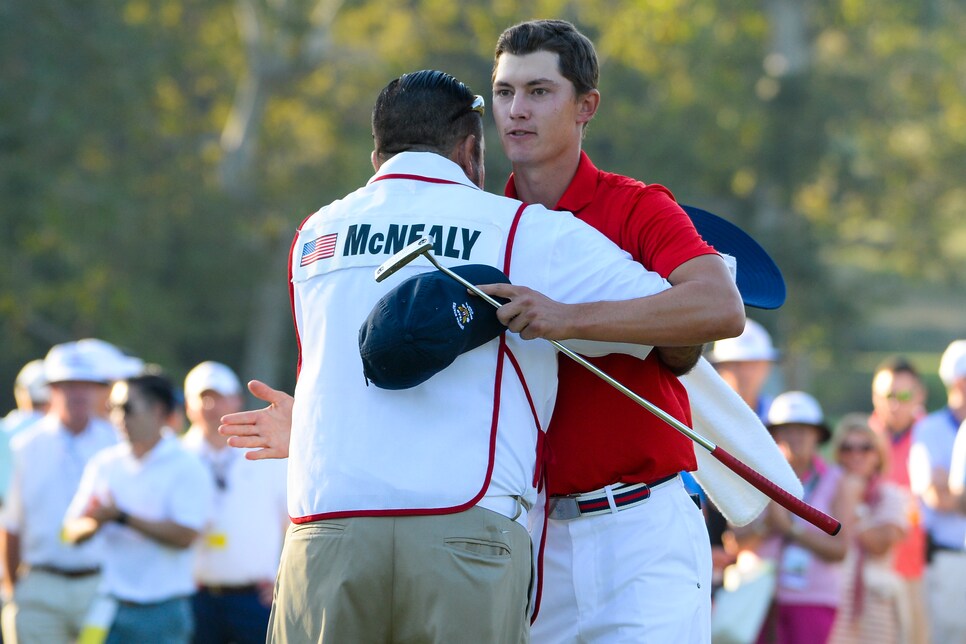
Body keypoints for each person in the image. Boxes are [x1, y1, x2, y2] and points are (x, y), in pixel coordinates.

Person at [263, 65, 745, 643]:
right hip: (466, 528)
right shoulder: (521, 229)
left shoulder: (312, 237)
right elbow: (684, 315)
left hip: (324, 528)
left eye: (537, 92)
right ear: (471, 152)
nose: (519, 108)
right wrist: (571, 319)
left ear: (377, 157)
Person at [488, 19, 745, 642]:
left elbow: (721, 306)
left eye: (540, 91)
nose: (516, 111)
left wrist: (568, 319)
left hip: (643, 532)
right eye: (504, 92)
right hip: (529, 540)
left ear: (586, 107)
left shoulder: (637, 205)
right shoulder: (482, 221)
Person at [62, 373, 214, 644]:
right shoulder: (105, 464)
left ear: (157, 410)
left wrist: (120, 517)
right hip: (107, 606)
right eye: (113, 408)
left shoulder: (187, 466)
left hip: (164, 612)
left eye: (127, 408)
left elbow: (185, 537)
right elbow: (70, 533)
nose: (118, 417)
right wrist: (95, 521)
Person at [0, 342, 119, 644]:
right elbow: (11, 525)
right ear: (52, 389)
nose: (78, 393)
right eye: (68, 385)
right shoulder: (24, 446)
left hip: (102, 587)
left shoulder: (116, 443)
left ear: (98, 391)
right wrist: (15, 590)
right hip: (40, 585)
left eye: (85, 386)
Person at [180, 361, 287, 644]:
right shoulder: (174, 457)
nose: (211, 406)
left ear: (237, 400)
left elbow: (292, 522)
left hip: (256, 598)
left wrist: (285, 577)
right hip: (192, 597)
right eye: (203, 397)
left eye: (219, 396)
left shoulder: (266, 452)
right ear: (188, 405)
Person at [731, 391, 851, 644]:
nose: (795, 437)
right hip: (756, 595)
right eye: (787, 430)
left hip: (812, 598)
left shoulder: (835, 479)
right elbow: (735, 543)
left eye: (803, 430)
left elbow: (840, 549)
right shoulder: (754, 477)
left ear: (817, 435)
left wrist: (790, 529)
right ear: (773, 436)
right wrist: (766, 527)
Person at [827, 414, 909, 644]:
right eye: (847, 448)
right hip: (834, 597)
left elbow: (881, 545)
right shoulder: (827, 490)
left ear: (878, 455)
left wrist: (852, 506)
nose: (856, 455)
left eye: (865, 448)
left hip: (875, 606)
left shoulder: (889, 495)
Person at [867, 356, 929, 644]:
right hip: (871, 570)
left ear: (919, 396)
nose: (895, 404)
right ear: (875, 397)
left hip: (919, 570)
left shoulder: (931, 437)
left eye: (903, 396)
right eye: (888, 396)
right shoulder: (859, 441)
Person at [909, 339, 966, 643]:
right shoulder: (929, 429)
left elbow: (951, 495)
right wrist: (953, 493)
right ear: (960, 382)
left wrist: (955, 488)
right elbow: (937, 497)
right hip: (950, 561)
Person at [708, 318, 780, 419]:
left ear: (767, 367)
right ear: (720, 367)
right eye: (736, 364)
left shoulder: (779, 417)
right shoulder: (704, 414)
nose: (745, 373)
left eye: (753, 365)